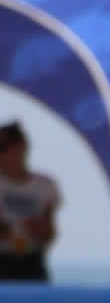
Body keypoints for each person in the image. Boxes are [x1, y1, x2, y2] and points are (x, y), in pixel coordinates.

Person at [0, 120, 62, 283]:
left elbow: (48, 233)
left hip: (32, 263)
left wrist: (36, 229)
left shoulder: (44, 185)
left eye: (2, 147)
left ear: (21, 147)